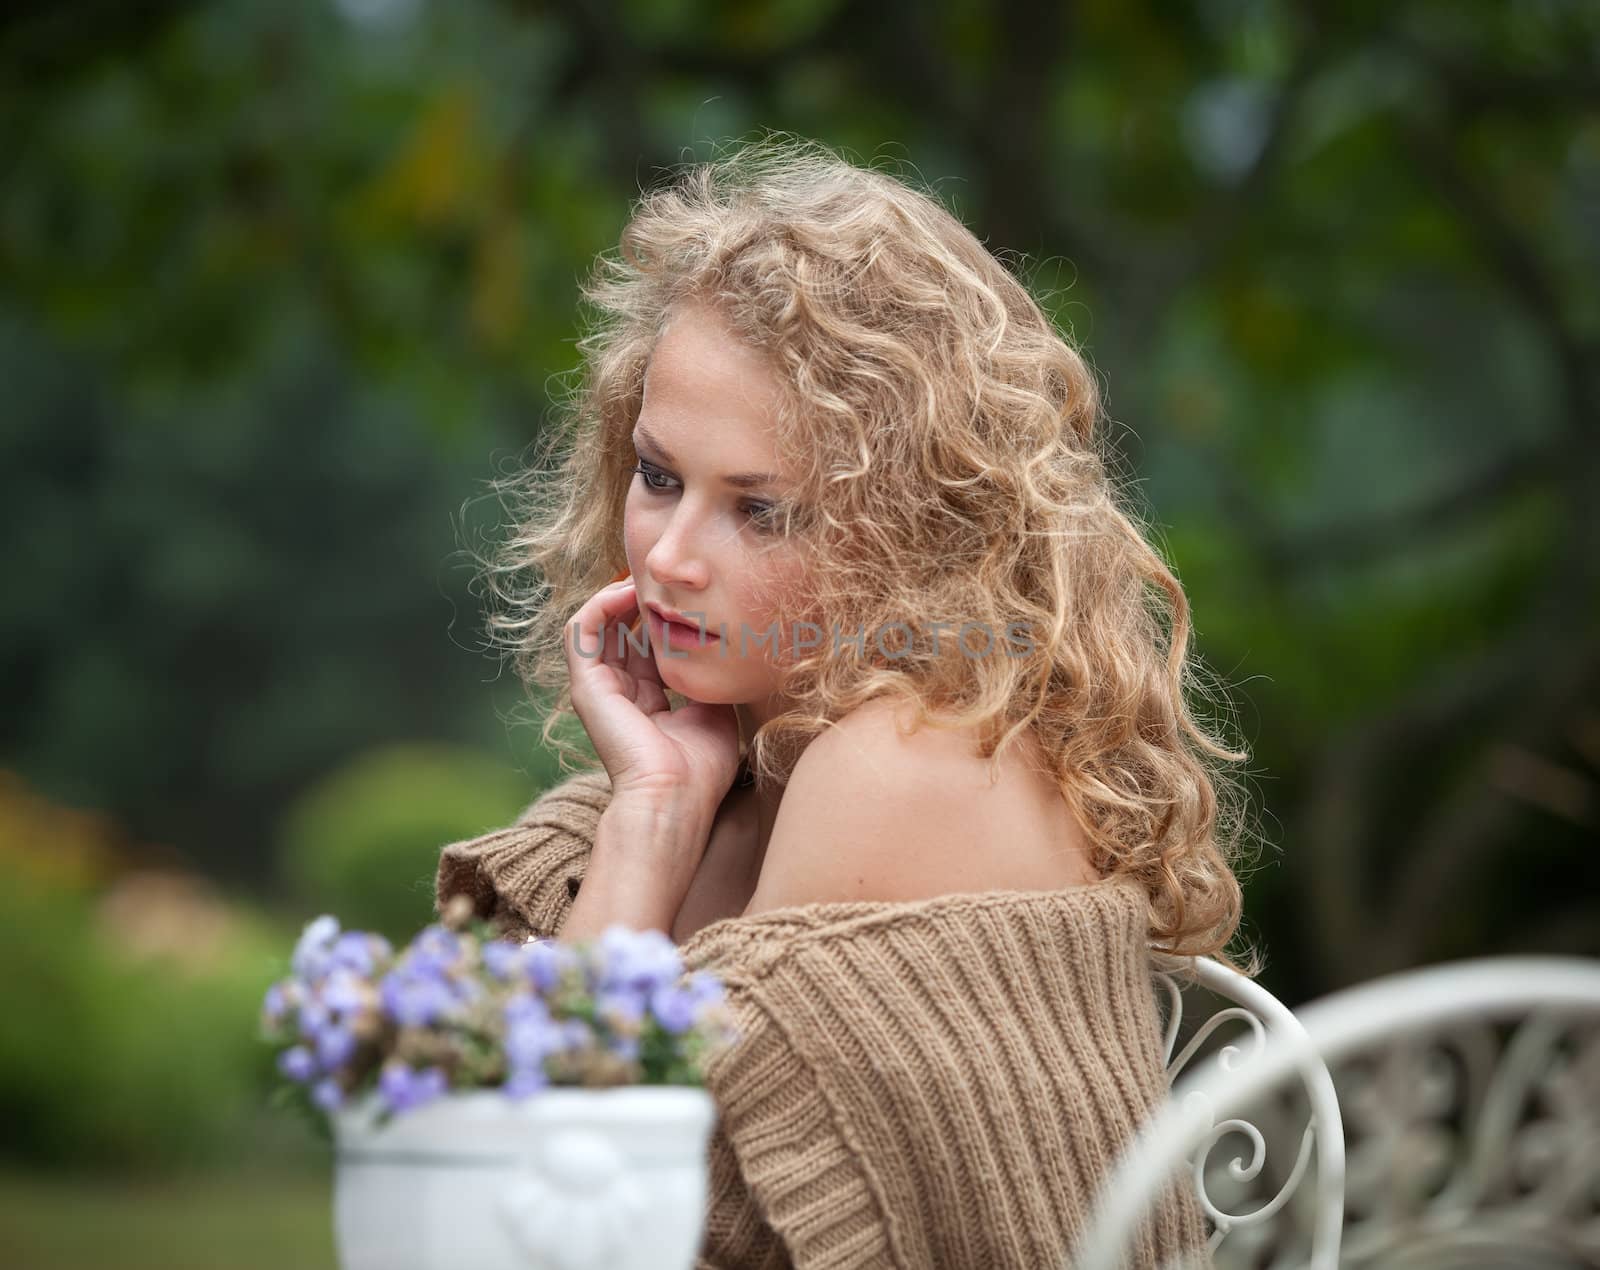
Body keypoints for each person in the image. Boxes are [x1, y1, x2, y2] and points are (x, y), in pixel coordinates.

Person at [437, 134, 1256, 1269]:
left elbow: (547, 1222)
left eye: (760, 511)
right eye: (660, 476)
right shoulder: (753, 752)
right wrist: (654, 809)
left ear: (915, 533)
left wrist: (647, 831)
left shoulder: (902, 761)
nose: (669, 554)